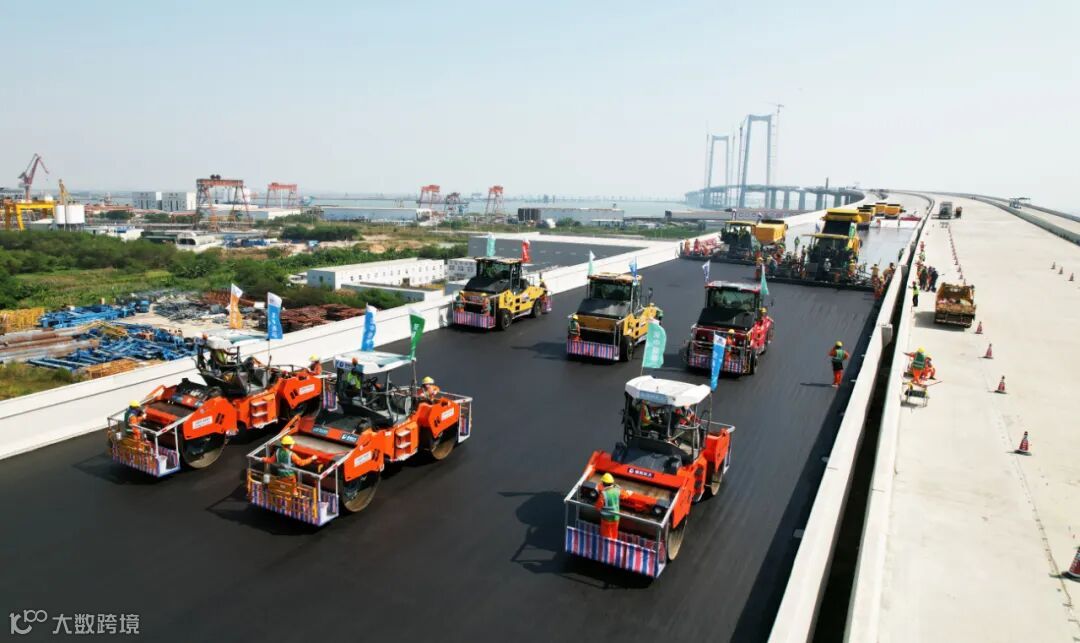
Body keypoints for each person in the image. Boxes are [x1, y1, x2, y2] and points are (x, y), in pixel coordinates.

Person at [595, 472, 621, 540]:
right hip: (616, 517)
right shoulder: (617, 490)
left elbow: (598, 507)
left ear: (604, 483)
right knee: (614, 534)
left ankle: (607, 546)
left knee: (606, 536)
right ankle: (613, 545)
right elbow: (624, 495)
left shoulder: (604, 494)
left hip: (607, 519)